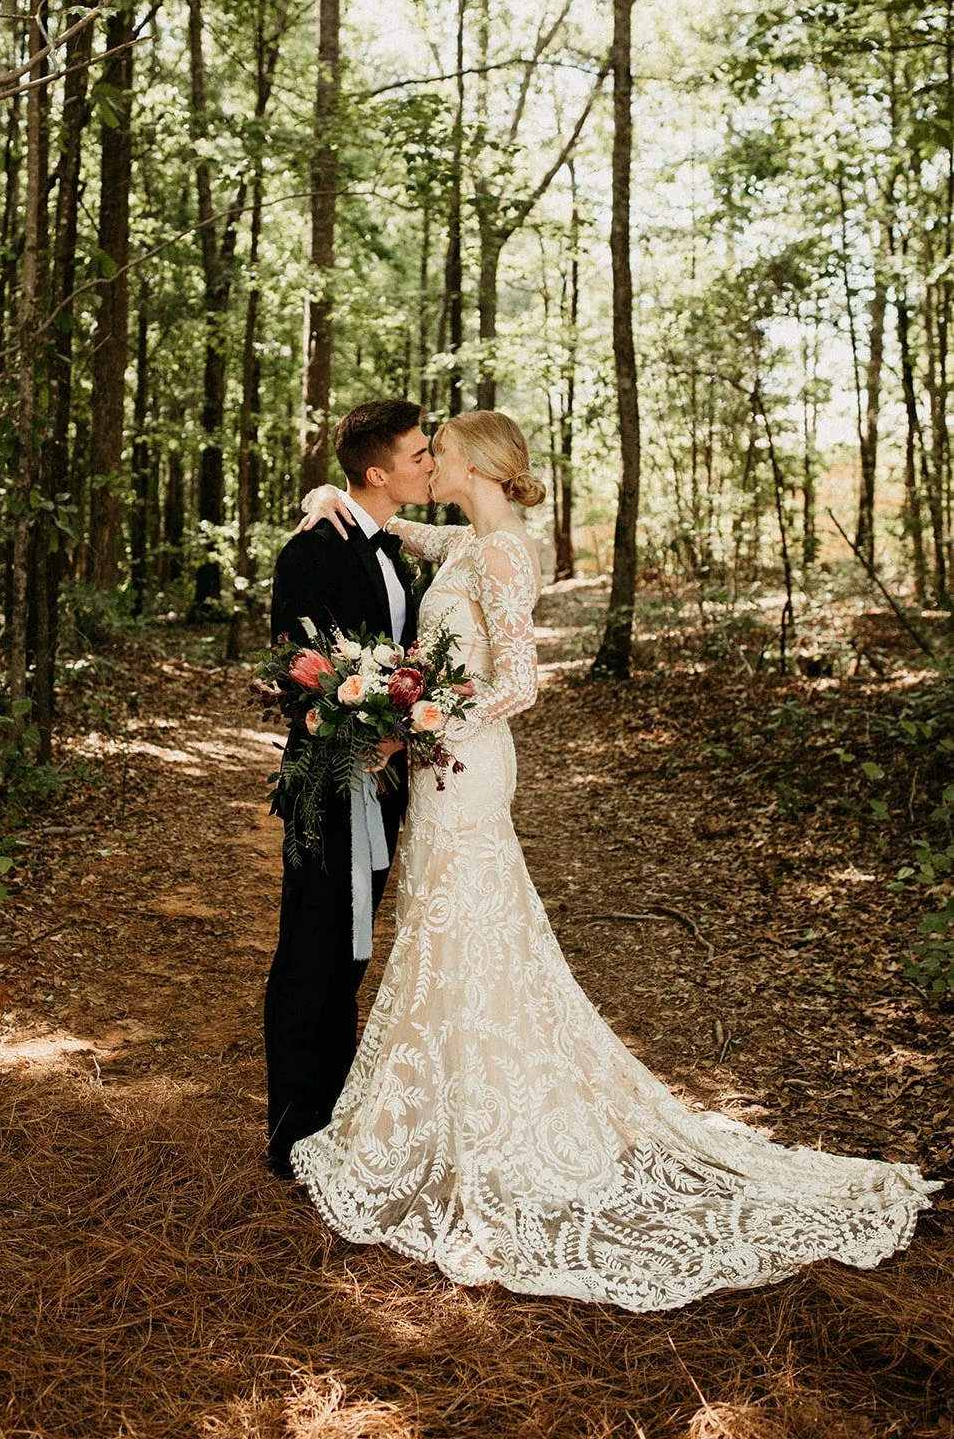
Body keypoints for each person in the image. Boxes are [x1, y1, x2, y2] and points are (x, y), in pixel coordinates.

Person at [288, 408, 939, 1310]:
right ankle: (451, 1111)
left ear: (477, 464)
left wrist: (422, 722)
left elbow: (521, 683)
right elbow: (389, 525)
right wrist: (327, 491)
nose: (428, 463)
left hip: (464, 764)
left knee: (467, 926)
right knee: (447, 933)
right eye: (421, 454)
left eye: (441, 453)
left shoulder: (505, 552)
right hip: (440, 765)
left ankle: (501, 1127)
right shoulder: (465, 540)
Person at [264, 399, 434, 1179]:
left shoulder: (395, 548)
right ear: (377, 472)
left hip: (386, 777)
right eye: (418, 454)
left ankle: (329, 1120)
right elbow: (292, 666)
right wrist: (353, 729)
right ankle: (293, 1137)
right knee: (313, 948)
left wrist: (397, 731)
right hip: (328, 781)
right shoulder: (312, 549)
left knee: (350, 953)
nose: (429, 463)